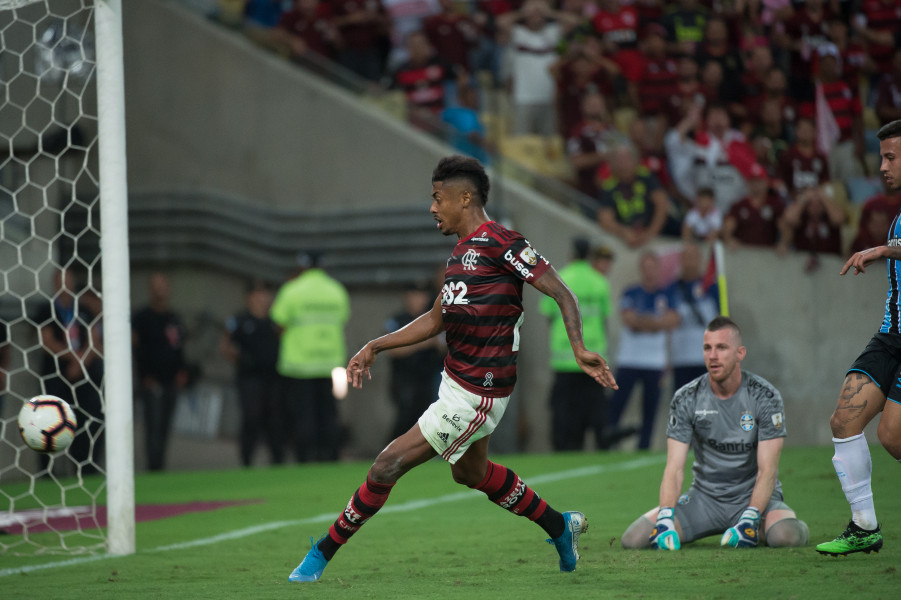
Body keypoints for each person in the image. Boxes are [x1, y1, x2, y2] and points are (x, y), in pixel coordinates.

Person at [288, 155, 618, 583]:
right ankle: (560, 527)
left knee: (386, 465)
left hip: (480, 392)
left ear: (464, 198)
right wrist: (376, 345)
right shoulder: (459, 254)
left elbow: (562, 292)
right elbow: (434, 320)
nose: (432, 208)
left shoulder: (504, 242)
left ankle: (320, 553)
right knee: (471, 473)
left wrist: (579, 348)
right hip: (455, 383)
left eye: (437, 198)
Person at [620, 316, 809, 550]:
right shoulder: (686, 397)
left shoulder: (765, 397)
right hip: (704, 500)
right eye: (707, 348)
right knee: (634, 539)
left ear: (740, 353)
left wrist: (751, 517)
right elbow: (674, 468)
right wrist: (666, 516)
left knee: (785, 536)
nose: (713, 355)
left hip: (752, 497)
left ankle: (779, 523)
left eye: (721, 348)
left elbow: (768, 471)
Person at [816, 120, 901, 556]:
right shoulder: (899, 215)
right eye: (882, 156)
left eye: (891, 157)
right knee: (844, 421)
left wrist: (882, 249)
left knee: (892, 437)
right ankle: (864, 526)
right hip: (891, 337)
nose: (882, 166)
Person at [271, 250, 349, 463]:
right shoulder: (336, 290)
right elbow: (342, 319)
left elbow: (278, 323)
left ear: (303, 266)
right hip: (330, 364)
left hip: (299, 365)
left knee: (303, 416)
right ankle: (330, 457)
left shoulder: (292, 290)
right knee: (329, 414)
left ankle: (305, 459)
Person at [540, 237, 613, 451]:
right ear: (589, 255)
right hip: (592, 358)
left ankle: (565, 449)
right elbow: (604, 319)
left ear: (571, 254)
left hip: (565, 359)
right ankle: (601, 447)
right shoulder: (599, 281)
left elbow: (549, 316)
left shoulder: (559, 278)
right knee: (595, 411)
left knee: (564, 414)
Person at [605, 251, 679, 450]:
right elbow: (629, 321)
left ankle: (643, 447)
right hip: (628, 360)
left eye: (652, 267)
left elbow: (673, 321)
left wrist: (644, 321)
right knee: (616, 406)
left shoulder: (667, 294)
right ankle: (608, 444)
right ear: (641, 269)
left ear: (658, 269)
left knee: (650, 411)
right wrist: (656, 322)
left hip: (654, 362)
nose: (649, 272)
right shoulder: (631, 292)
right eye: (645, 267)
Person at [35, 269, 104, 474]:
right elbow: (46, 341)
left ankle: (86, 466)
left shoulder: (83, 309)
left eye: (69, 281)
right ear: (55, 284)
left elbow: (94, 340)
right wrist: (72, 358)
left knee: (87, 419)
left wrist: (80, 361)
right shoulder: (46, 310)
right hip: (57, 374)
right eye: (61, 282)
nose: (66, 286)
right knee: (50, 422)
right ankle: (47, 472)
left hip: (84, 375)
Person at [222, 280, 284, 467]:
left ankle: (277, 461)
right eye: (257, 295)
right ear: (248, 298)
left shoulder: (275, 322)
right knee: (251, 418)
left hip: (273, 378)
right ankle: (247, 460)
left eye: (264, 295)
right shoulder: (240, 321)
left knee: (275, 420)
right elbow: (225, 345)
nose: (261, 299)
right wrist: (240, 358)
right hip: (250, 378)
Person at [132, 271, 188, 471]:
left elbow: (179, 347)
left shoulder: (174, 318)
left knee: (165, 427)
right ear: (150, 288)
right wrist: (144, 376)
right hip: (151, 381)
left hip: (171, 381)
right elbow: (137, 349)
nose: (160, 289)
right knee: (153, 427)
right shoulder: (141, 318)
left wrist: (182, 371)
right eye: (156, 285)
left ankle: (160, 468)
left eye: (163, 285)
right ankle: (152, 468)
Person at [383, 281, 445, 440]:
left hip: (428, 376)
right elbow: (392, 350)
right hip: (405, 378)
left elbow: (445, 347)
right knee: (406, 417)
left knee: (428, 418)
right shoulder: (398, 321)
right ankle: (392, 448)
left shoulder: (434, 320)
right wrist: (424, 342)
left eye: (423, 295)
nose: (420, 299)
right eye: (416, 295)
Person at [668, 243, 719, 391]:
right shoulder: (672, 288)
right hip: (680, 359)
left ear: (700, 260)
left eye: (693, 257)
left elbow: (724, 321)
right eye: (686, 257)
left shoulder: (711, 287)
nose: (690, 262)